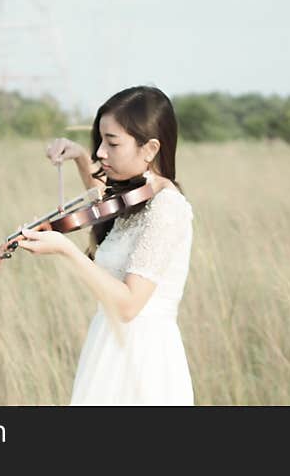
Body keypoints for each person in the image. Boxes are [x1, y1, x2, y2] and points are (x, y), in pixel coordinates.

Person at [14, 85, 195, 405]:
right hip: (108, 346)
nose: (100, 152)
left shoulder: (167, 208)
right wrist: (81, 157)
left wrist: (66, 250)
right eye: (100, 141)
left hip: (144, 360)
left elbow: (128, 306)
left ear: (150, 149)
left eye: (112, 143)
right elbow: (103, 206)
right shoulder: (137, 195)